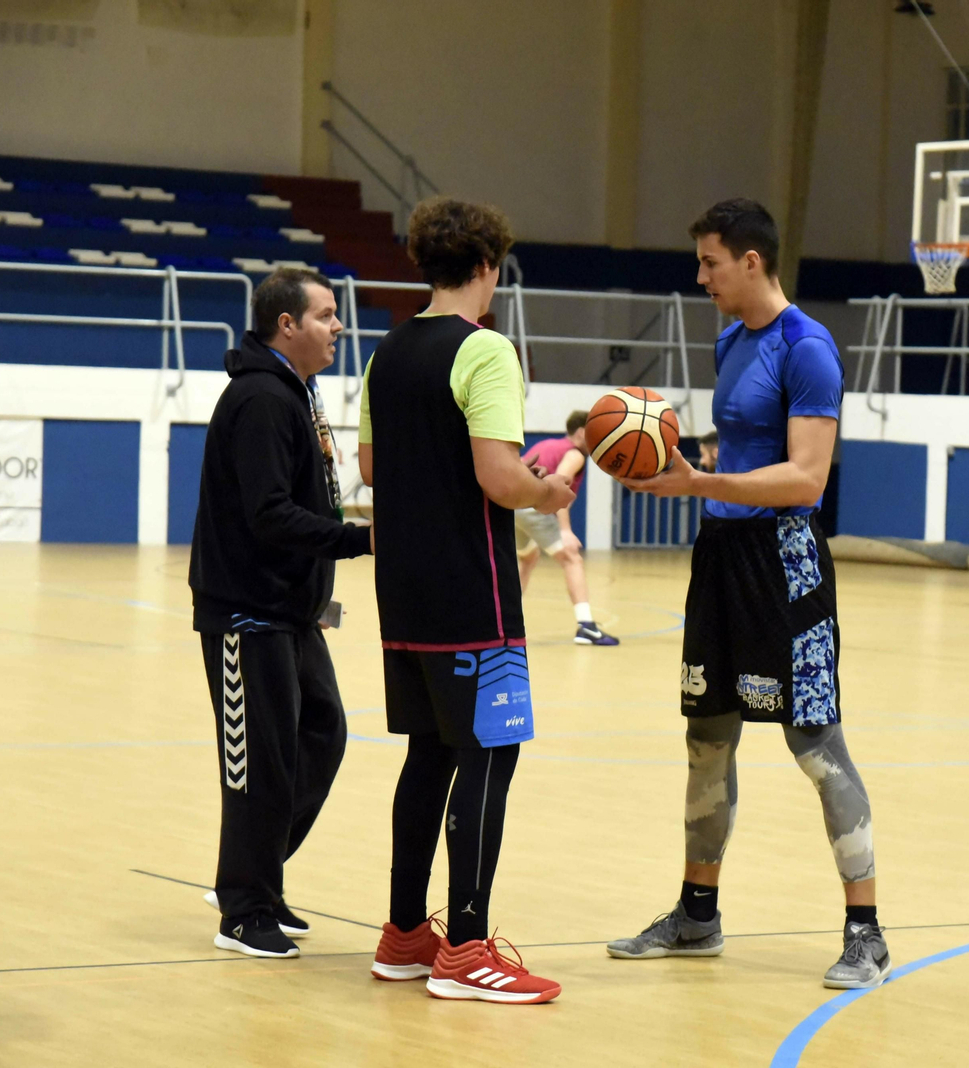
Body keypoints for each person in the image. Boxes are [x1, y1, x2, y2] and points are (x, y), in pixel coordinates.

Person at [605, 198, 888, 989]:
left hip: (784, 559)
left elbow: (805, 475)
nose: (701, 278)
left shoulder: (810, 349)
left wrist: (700, 479)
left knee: (815, 746)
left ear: (752, 261)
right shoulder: (730, 335)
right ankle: (698, 913)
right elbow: (737, 444)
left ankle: (866, 932)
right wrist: (661, 453)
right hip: (720, 554)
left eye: (710, 263)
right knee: (707, 741)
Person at [357, 197, 572, 1004]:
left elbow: (374, 468)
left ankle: (406, 933)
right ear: (489, 266)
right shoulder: (486, 352)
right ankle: (469, 948)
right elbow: (499, 476)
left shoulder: (387, 352)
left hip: (403, 597)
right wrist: (548, 493)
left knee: (427, 756)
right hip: (471, 593)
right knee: (489, 755)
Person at [189, 267, 373, 959]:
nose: (338, 327)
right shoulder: (264, 399)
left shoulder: (298, 392)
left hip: (291, 612)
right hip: (246, 613)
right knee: (256, 765)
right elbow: (269, 516)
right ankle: (243, 907)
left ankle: (254, 872)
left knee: (320, 735)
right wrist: (361, 540)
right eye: (327, 316)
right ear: (286, 325)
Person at [516, 411, 619, 645]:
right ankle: (586, 626)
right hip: (532, 507)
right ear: (582, 433)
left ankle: (505, 615)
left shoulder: (548, 444)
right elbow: (558, 486)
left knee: (529, 557)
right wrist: (565, 531)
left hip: (512, 509)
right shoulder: (575, 455)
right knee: (572, 558)